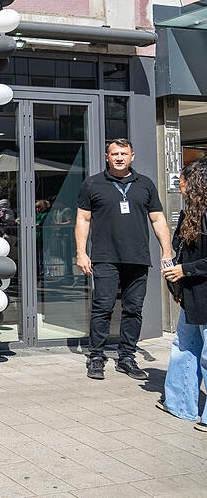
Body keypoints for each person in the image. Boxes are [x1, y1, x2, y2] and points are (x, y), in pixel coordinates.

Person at [75, 138, 172, 380]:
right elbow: (83, 220)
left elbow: (158, 220)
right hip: (105, 257)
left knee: (133, 310)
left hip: (138, 257)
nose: (119, 157)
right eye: (115, 153)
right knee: (103, 307)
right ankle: (96, 356)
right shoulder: (92, 184)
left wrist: (167, 252)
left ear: (132, 156)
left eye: (124, 153)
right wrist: (81, 252)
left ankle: (126, 357)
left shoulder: (145, 185)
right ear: (107, 157)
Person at [159, 160, 207, 431]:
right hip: (191, 294)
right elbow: (182, 252)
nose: (179, 183)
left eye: (183, 179)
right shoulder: (191, 213)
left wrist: (184, 271)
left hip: (201, 292)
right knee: (183, 349)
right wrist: (177, 285)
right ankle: (180, 404)